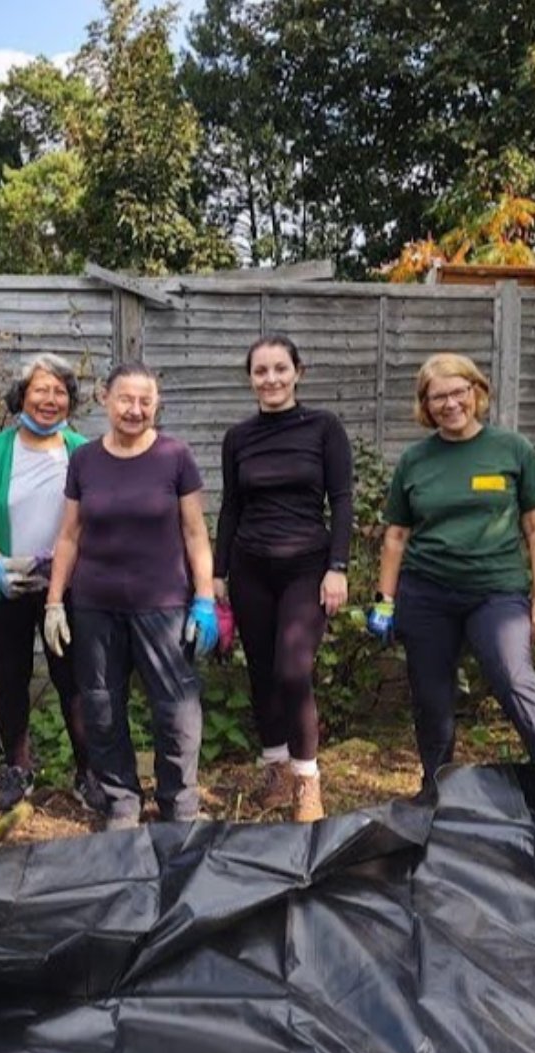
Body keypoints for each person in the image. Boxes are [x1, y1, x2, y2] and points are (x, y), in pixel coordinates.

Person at [372, 352, 535, 797]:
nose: (449, 403)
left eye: (458, 391)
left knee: (513, 677)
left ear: (476, 392)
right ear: (425, 405)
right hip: (426, 593)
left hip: (495, 594)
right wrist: (384, 601)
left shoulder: (512, 450)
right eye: (437, 396)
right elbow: (396, 536)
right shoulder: (415, 460)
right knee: (431, 697)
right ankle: (437, 791)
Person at [43, 363, 218, 831]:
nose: (135, 410)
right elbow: (69, 535)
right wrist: (55, 600)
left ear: (156, 404)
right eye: (126, 399)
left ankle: (179, 802)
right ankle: (121, 801)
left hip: (162, 604)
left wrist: (204, 598)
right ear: (105, 399)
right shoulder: (84, 460)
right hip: (95, 604)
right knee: (100, 705)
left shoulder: (174, 456)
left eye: (145, 401)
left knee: (176, 708)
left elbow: (195, 532)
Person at [214, 335, 353, 823]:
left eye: (279, 369)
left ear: (298, 371)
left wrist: (338, 567)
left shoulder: (323, 428)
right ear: (250, 378)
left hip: (306, 566)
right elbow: (231, 505)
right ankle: (275, 771)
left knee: (292, 670)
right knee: (260, 673)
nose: (270, 379)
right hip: (250, 566)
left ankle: (307, 781)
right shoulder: (239, 437)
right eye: (260, 371)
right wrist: (218, 573)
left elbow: (341, 499)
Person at [0, 353, 105, 812]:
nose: (49, 399)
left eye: (59, 391)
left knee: (74, 680)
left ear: (70, 401)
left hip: (66, 588)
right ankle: (17, 768)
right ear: (22, 396)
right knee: (11, 678)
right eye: (40, 389)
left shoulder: (83, 452)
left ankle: (89, 773)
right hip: (8, 584)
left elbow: (98, 521)